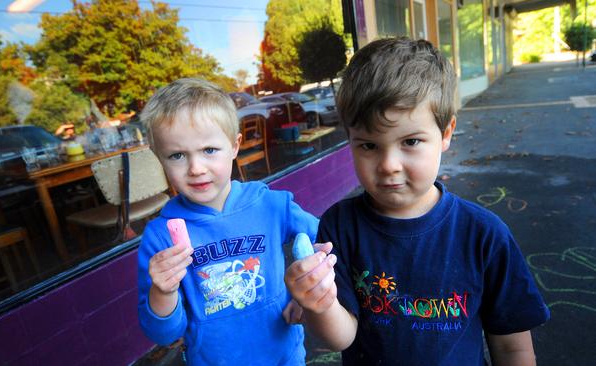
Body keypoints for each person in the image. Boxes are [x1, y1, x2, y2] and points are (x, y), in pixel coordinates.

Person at [284, 38, 550, 365]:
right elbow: (340, 337)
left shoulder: (484, 235)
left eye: (410, 141)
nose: (388, 164)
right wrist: (320, 303)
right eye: (368, 146)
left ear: (446, 132)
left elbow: (512, 345)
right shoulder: (339, 225)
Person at [137, 78, 319, 365]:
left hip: (285, 355)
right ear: (159, 159)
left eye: (209, 150)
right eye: (177, 155)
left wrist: (308, 297)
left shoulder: (272, 205)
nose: (196, 169)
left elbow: (329, 241)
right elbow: (163, 334)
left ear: (235, 146)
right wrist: (162, 291)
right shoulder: (160, 238)